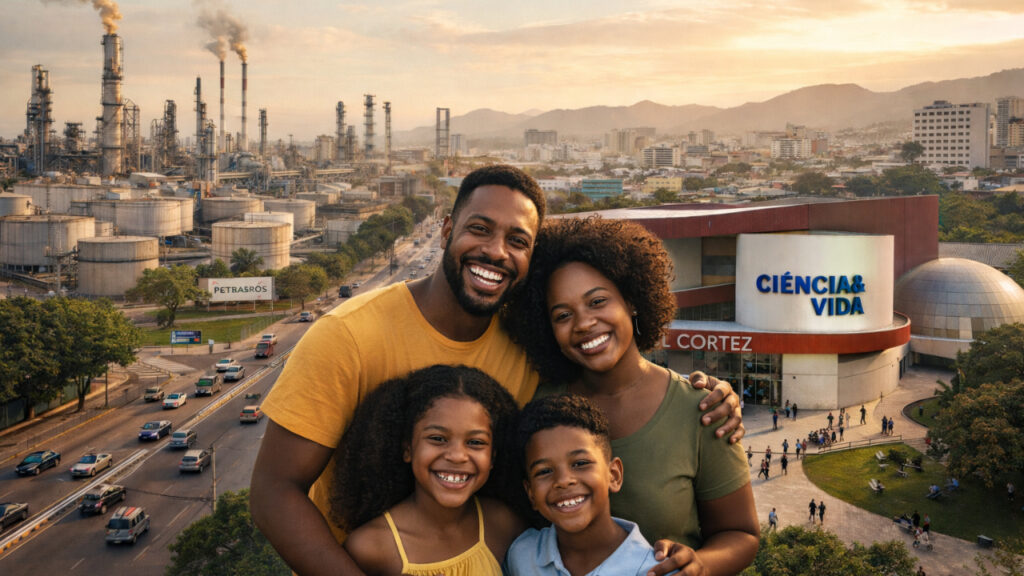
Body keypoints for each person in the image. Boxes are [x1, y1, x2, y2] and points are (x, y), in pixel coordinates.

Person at [250, 166, 744, 575]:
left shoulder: (524, 347)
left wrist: (709, 389)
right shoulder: (348, 336)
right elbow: (274, 492)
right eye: (479, 229)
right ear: (446, 230)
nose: (496, 252)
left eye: (518, 240)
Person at [503, 216, 759, 574]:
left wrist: (697, 564)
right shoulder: (539, 406)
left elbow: (741, 533)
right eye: (563, 315)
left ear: (633, 301)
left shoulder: (701, 408)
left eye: (597, 301)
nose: (584, 323)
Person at [330, 365, 523, 575]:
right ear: (407, 449)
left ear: (493, 456)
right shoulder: (371, 547)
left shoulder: (503, 523)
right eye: (438, 439)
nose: (457, 456)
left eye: (475, 442)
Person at [507, 394, 664, 576]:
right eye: (544, 471)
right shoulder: (521, 555)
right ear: (531, 494)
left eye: (580, 463)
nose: (564, 480)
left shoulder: (657, 569)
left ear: (613, 475)